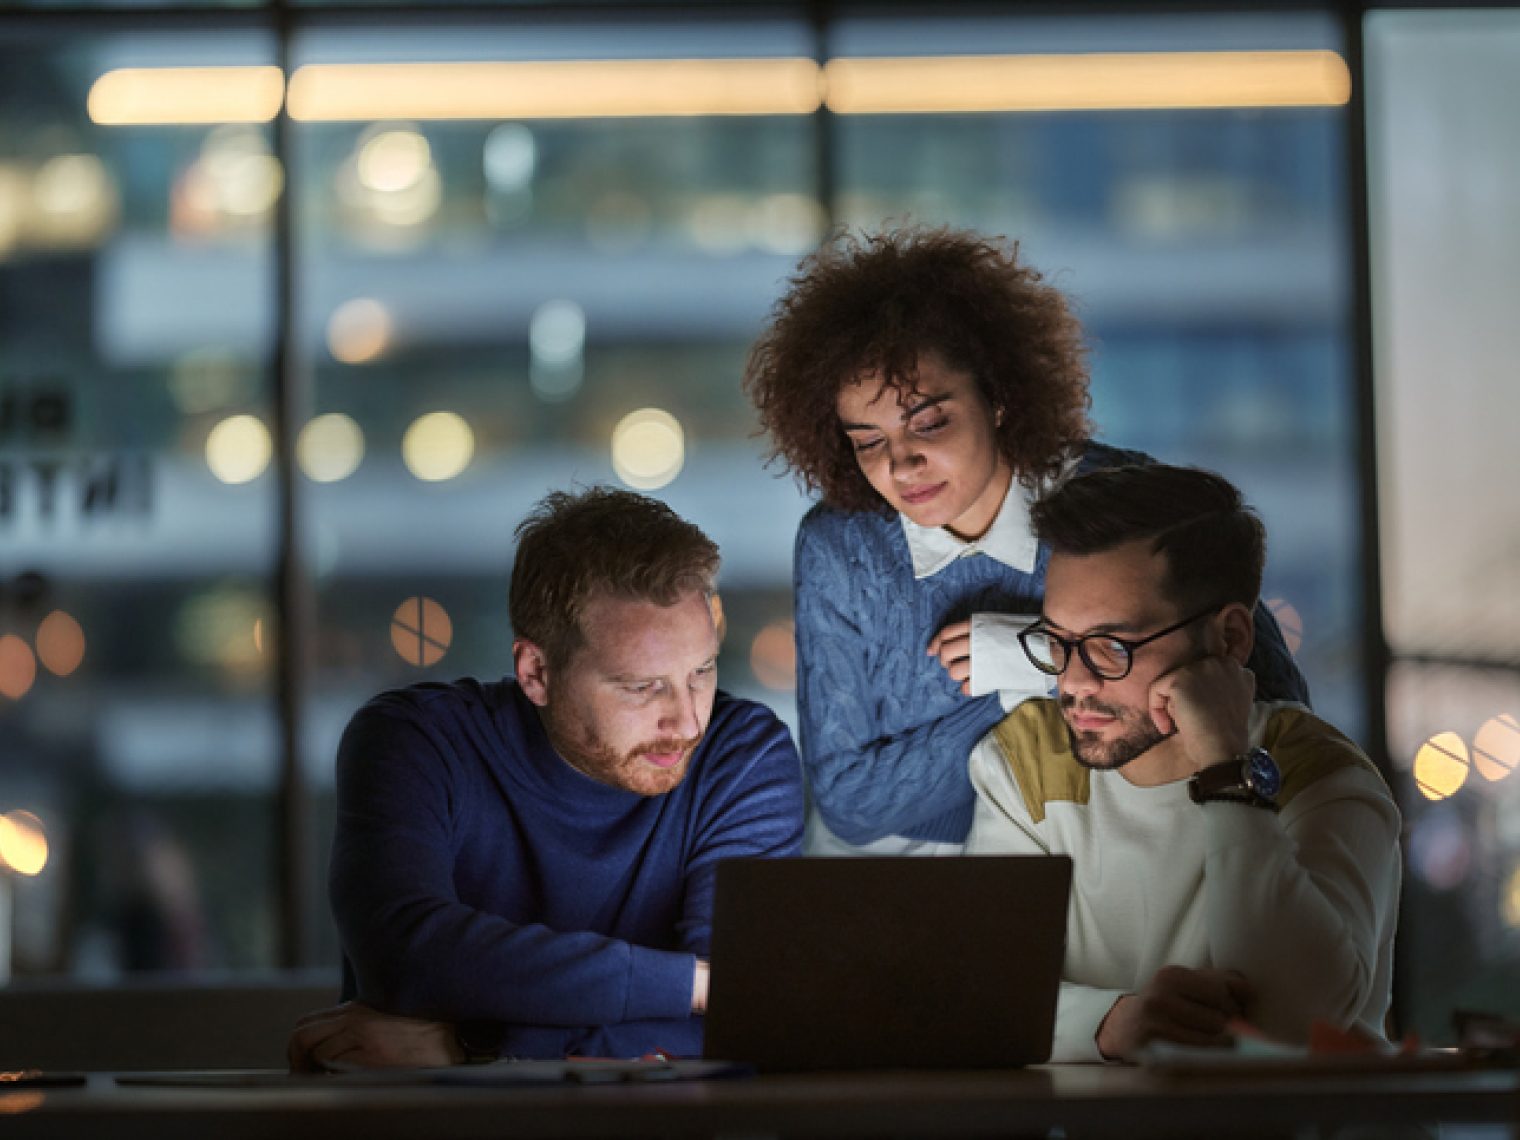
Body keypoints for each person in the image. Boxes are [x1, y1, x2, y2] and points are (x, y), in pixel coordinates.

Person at [744, 224, 1309, 854]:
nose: (901, 465)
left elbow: (1277, 703)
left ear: (999, 397)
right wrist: (1022, 685)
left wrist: (1035, 654)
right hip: (898, 891)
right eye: (868, 441)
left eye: (928, 422)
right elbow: (850, 802)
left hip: (1102, 865)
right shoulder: (839, 546)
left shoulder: (1125, 501)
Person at [288, 487, 805, 1069]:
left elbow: (742, 1020)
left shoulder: (742, 758)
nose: (687, 720)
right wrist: (690, 985)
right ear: (536, 672)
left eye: (701, 672)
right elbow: (405, 953)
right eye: (642, 687)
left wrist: (476, 1048)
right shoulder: (415, 742)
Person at [966, 464, 1400, 1061]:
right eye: (1058, 641)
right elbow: (982, 997)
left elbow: (1297, 1022)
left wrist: (1226, 768)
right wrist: (1111, 1023)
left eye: (1110, 646)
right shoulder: (1027, 763)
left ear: (1229, 640)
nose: (1074, 683)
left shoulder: (1321, 776)